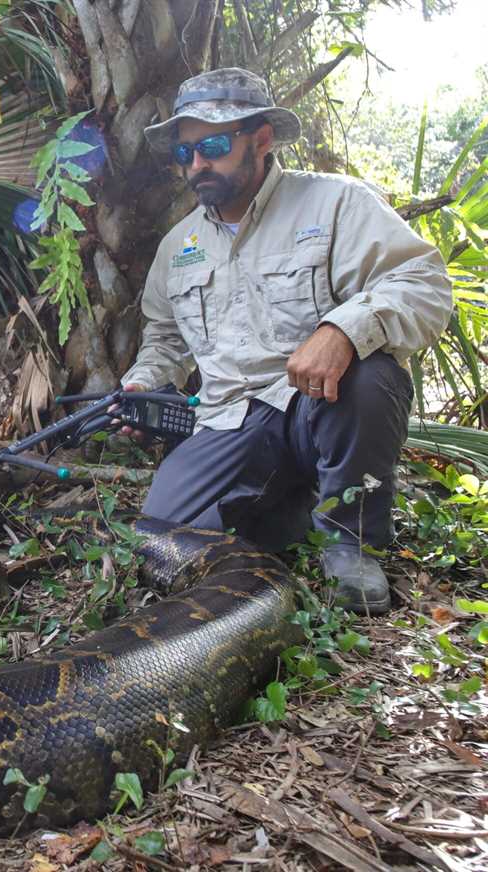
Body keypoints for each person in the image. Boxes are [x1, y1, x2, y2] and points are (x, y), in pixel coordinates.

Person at [120, 68, 453, 614]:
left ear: (262, 139)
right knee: (158, 539)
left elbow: (423, 282)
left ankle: (351, 543)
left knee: (371, 375)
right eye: (186, 153)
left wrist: (341, 331)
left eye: (214, 146)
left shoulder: (336, 203)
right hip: (229, 419)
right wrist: (144, 380)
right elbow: (164, 338)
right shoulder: (178, 244)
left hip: (317, 403)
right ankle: (290, 513)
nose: (197, 165)